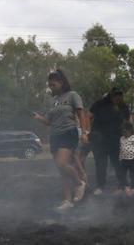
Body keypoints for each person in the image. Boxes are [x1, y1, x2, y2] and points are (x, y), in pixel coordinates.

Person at [32, 70, 89, 211]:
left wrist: (84, 132)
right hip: (55, 136)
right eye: (49, 85)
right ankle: (67, 200)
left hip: (68, 132)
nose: (51, 87)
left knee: (62, 163)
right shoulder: (52, 101)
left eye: (53, 84)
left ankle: (79, 183)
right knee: (61, 169)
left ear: (61, 83)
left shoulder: (72, 95)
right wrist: (39, 118)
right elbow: (48, 122)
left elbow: (81, 114)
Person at [89, 87, 131, 195]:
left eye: (119, 95)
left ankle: (124, 184)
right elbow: (88, 116)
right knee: (101, 163)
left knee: (117, 162)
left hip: (115, 139)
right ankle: (100, 186)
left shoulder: (123, 107)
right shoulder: (100, 104)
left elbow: (128, 121)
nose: (117, 97)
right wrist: (86, 131)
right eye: (115, 95)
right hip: (99, 139)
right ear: (110, 96)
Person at [119, 122, 134, 196]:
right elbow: (121, 148)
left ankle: (133, 187)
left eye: (125, 131)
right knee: (123, 174)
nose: (124, 133)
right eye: (123, 131)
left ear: (130, 130)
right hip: (124, 160)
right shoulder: (121, 138)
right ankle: (126, 186)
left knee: (132, 174)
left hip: (132, 159)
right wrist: (120, 158)